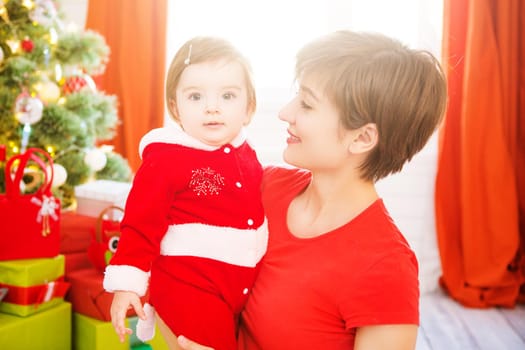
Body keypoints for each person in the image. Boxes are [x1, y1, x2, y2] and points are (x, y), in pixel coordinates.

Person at [176, 30, 448, 350]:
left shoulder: (386, 268)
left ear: (361, 138)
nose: (285, 113)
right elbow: (185, 188)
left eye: (306, 103)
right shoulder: (264, 187)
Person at [103, 36, 268, 350]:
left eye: (228, 95)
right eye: (195, 97)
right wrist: (127, 286)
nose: (211, 107)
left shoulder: (247, 152)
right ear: (176, 109)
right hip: (191, 288)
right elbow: (140, 223)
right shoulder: (167, 159)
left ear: (248, 108)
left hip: (238, 288)